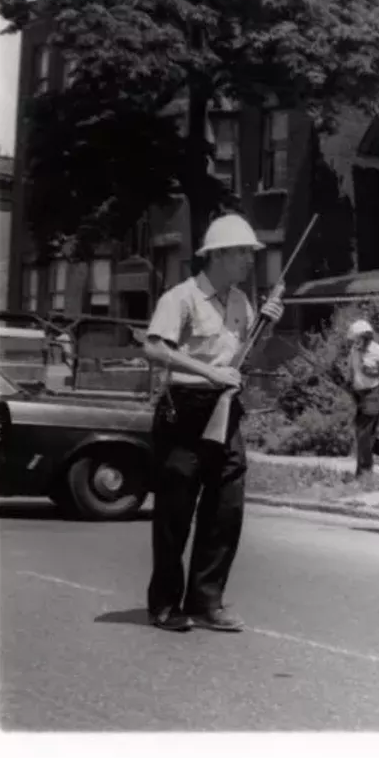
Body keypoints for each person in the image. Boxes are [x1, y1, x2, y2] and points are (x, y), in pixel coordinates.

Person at [141, 213, 283, 633]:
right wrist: (208, 373)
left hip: (226, 407)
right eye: (241, 252)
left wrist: (267, 328)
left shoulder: (241, 302)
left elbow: (247, 359)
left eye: (250, 253)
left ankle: (207, 601)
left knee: (226, 508)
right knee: (175, 511)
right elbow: (153, 347)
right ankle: (165, 605)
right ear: (217, 254)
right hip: (184, 410)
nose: (248, 260)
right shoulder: (180, 298)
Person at [347, 319, 379, 478]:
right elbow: (352, 371)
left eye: (357, 339)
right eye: (353, 340)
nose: (355, 342)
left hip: (375, 393)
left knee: (363, 432)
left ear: (366, 337)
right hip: (360, 395)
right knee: (369, 435)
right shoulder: (354, 351)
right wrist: (350, 386)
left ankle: (364, 472)